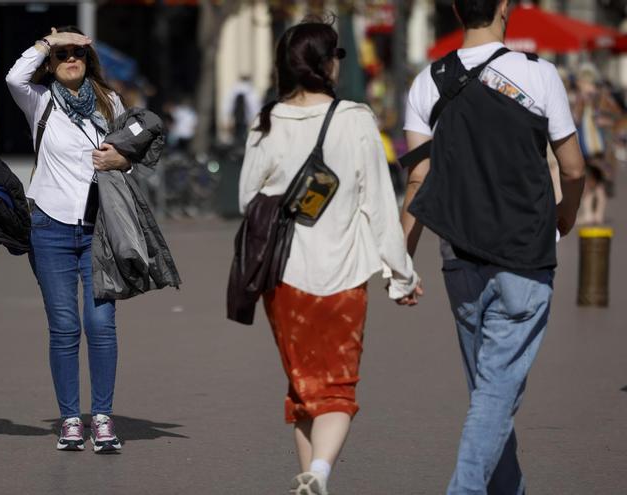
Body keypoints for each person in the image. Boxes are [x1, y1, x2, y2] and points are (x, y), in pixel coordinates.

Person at [400, 1, 586, 493]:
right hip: (525, 255)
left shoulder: (427, 81)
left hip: (459, 259)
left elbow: (418, 178)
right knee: (493, 397)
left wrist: (401, 259)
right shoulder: (540, 75)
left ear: (458, 10)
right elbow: (573, 168)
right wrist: (566, 214)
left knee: (490, 393)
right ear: (504, 8)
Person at [239, 18, 421, 495]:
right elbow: (380, 206)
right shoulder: (356, 120)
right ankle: (318, 475)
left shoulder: (266, 122)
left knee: (303, 388)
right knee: (337, 388)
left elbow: (245, 199)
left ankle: (310, 485)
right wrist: (400, 275)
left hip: (283, 277)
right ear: (327, 64)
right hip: (343, 274)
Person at [0, 26, 130, 454]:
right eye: (63, 54)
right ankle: (72, 419)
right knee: (64, 327)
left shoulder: (111, 102)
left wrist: (120, 159)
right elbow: (14, 78)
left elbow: (132, 158)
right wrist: (44, 43)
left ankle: (104, 418)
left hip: (100, 228)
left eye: (76, 53)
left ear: (87, 60)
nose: (70, 58)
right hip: (51, 226)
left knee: (101, 325)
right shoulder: (40, 101)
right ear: (52, 64)